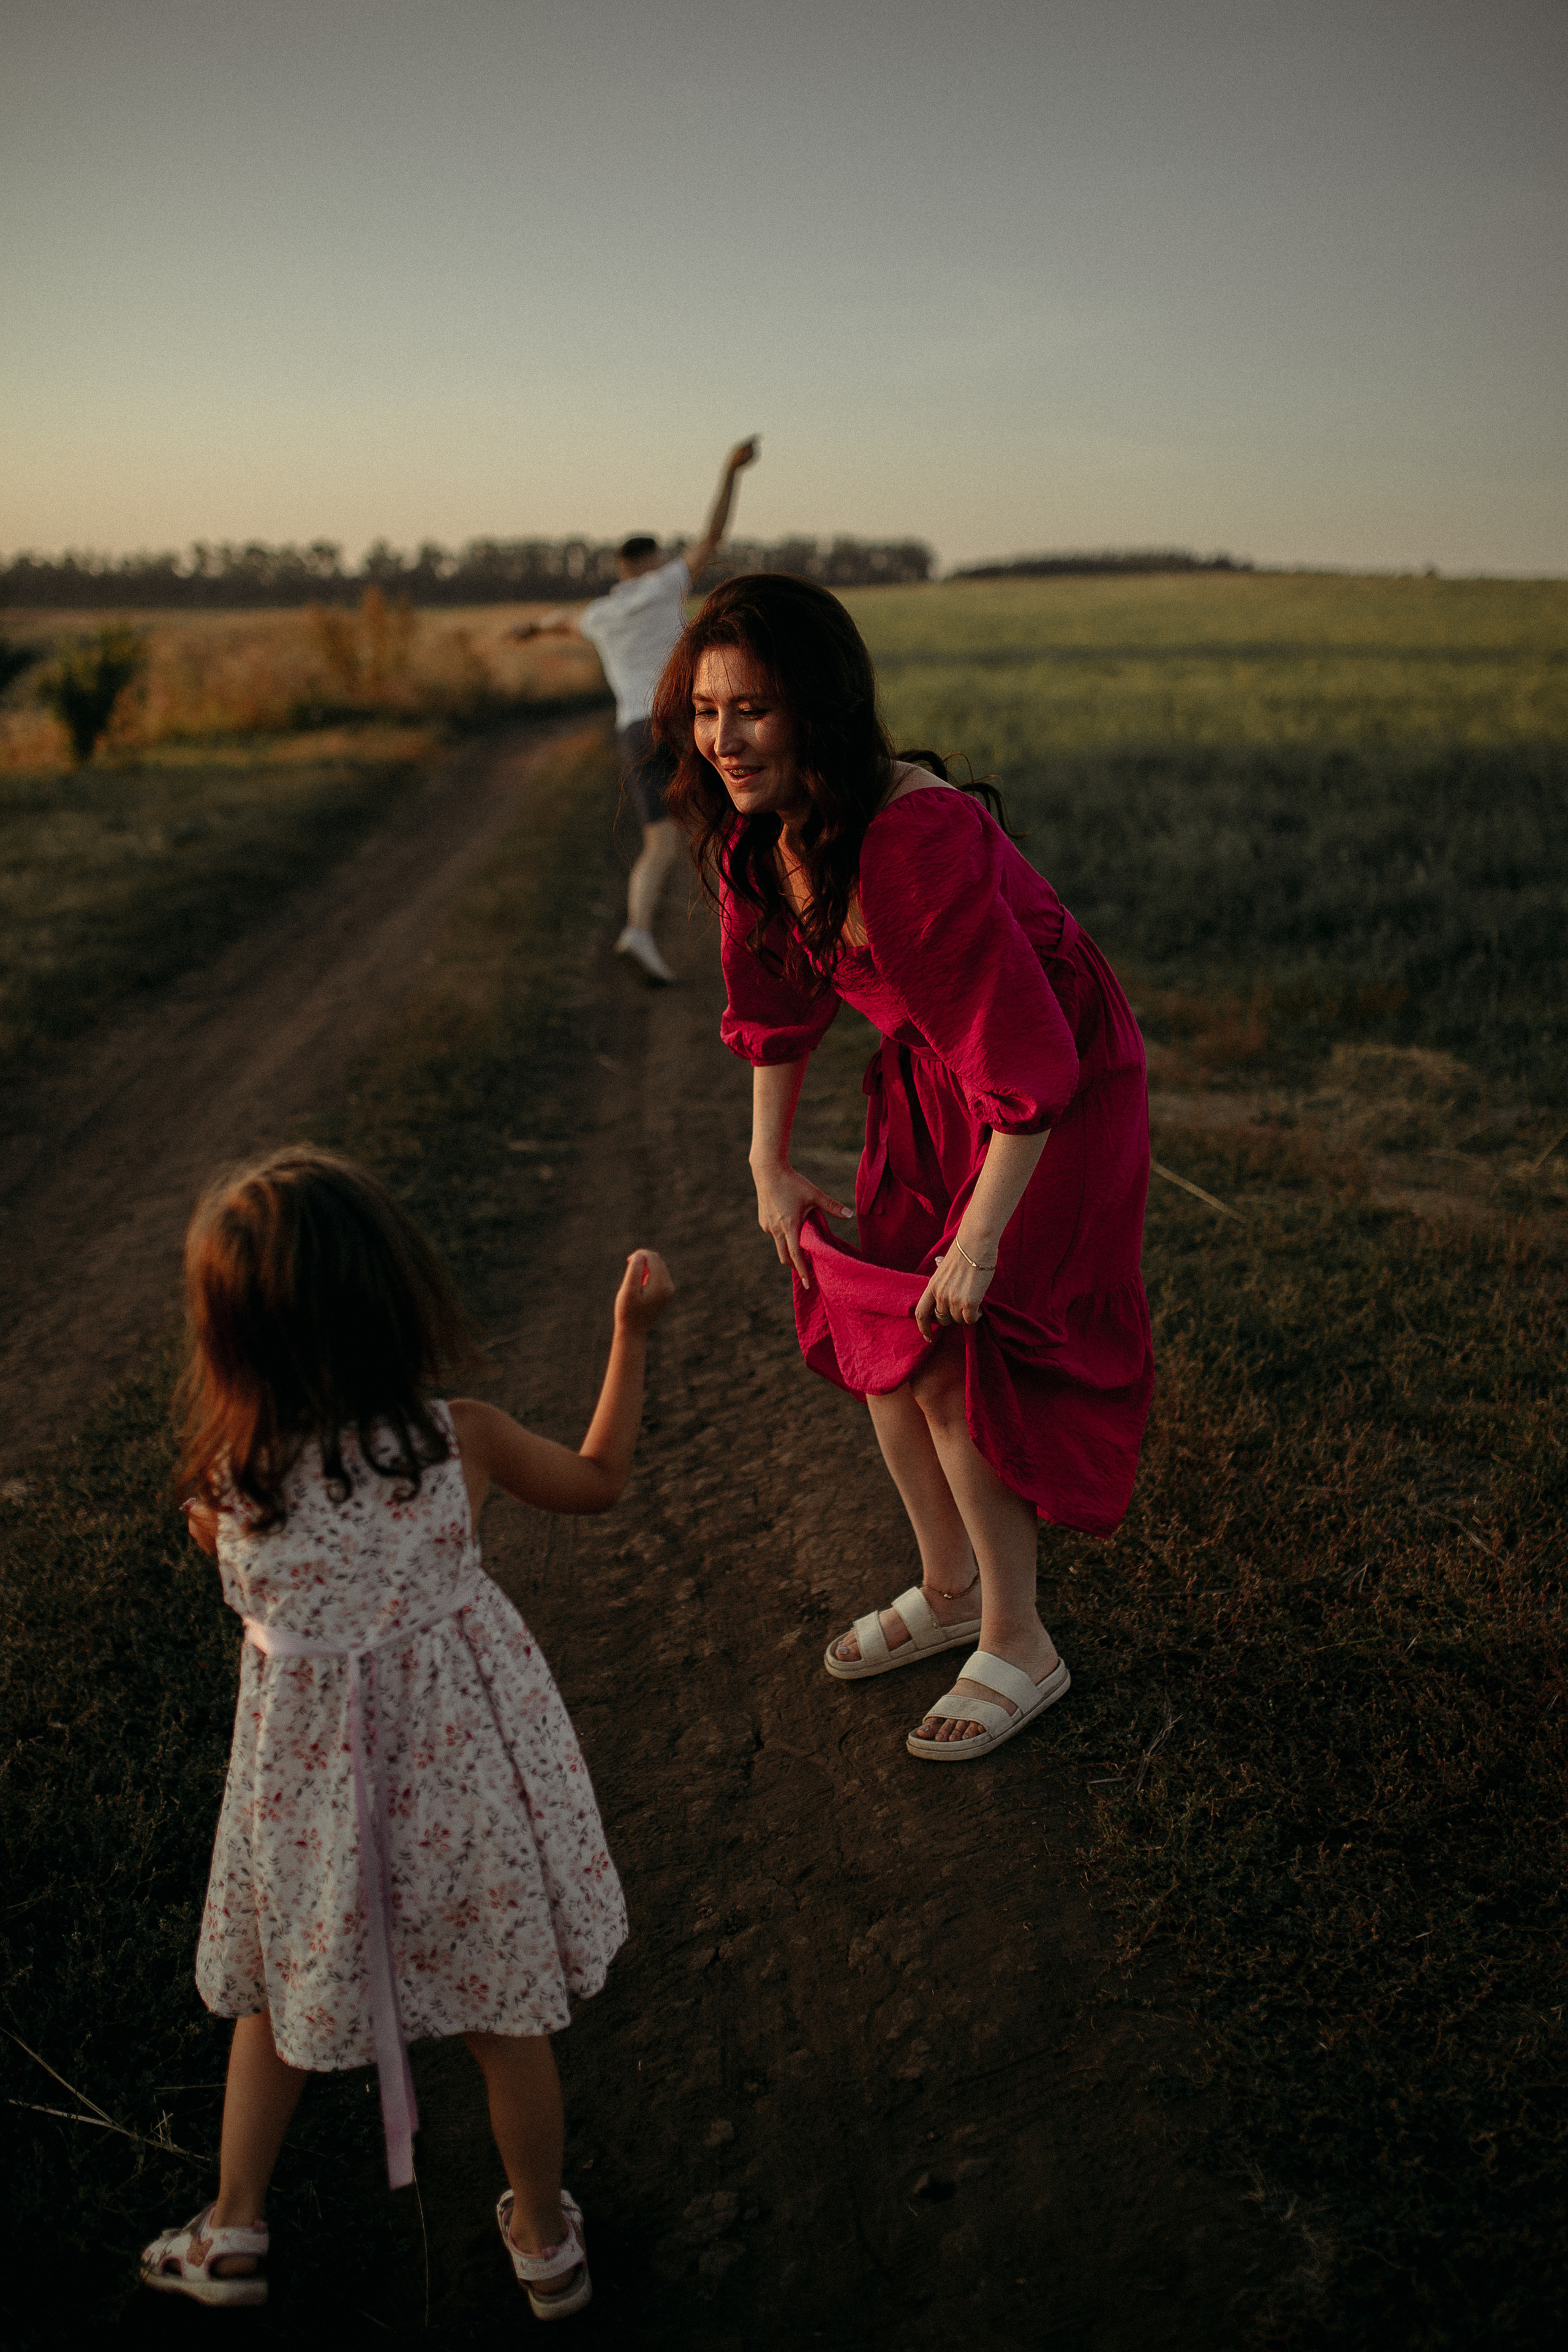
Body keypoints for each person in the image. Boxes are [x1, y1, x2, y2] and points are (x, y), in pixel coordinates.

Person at [138, 1147, 673, 2315]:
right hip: (462, 1798)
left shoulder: (231, 1490)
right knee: (502, 2019)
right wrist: (631, 1331)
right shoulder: (454, 1443)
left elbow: (232, 1566)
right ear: (393, 1297)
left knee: (276, 2006)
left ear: (229, 1338)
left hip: (310, 1817)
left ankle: (232, 2229)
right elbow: (599, 1479)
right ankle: (544, 2242)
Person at [654, 576, 1153, 1763]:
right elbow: (772, 1009)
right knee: (880, 1338)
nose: (723, 740)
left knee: (947, 1358)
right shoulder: (756, 839)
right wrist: (767, 1164)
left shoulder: (909, 843)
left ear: (819, 709)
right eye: (707, 710)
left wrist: (979, 1234)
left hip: (1049, 1098)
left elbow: (1027, 1059)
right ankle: (944, 1587)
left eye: (755, 710)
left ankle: (1019, 1638)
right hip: (938, 1085)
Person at [515, 437, 760, 984]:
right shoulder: (663, 584)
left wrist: (527, 630)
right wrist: (731, 469)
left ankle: (638, 933)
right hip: (675, 719)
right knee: (729, 827)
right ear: (648, 561)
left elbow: (558, 618)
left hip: (630, 730)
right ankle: (756, 943)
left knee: (660, 843)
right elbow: (713, 536)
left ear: (619, 567)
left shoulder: (601, 614)